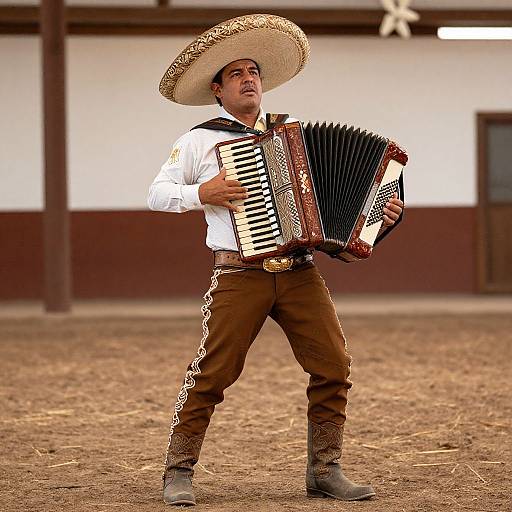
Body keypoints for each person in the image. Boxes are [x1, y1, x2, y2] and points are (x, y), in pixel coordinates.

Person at [148, 14, 404, 507]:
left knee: (334, 364)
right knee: (213, 373)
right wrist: (200, 191)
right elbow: (156, 194)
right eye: (237, 74)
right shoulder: (200, 141)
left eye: (254, 72)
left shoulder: (294, 134)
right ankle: (178, 472)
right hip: (238, 274)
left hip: (300, 272)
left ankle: (325, 471)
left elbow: (345, 211)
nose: (249, 80)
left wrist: (384, 213)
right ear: (218, 90)